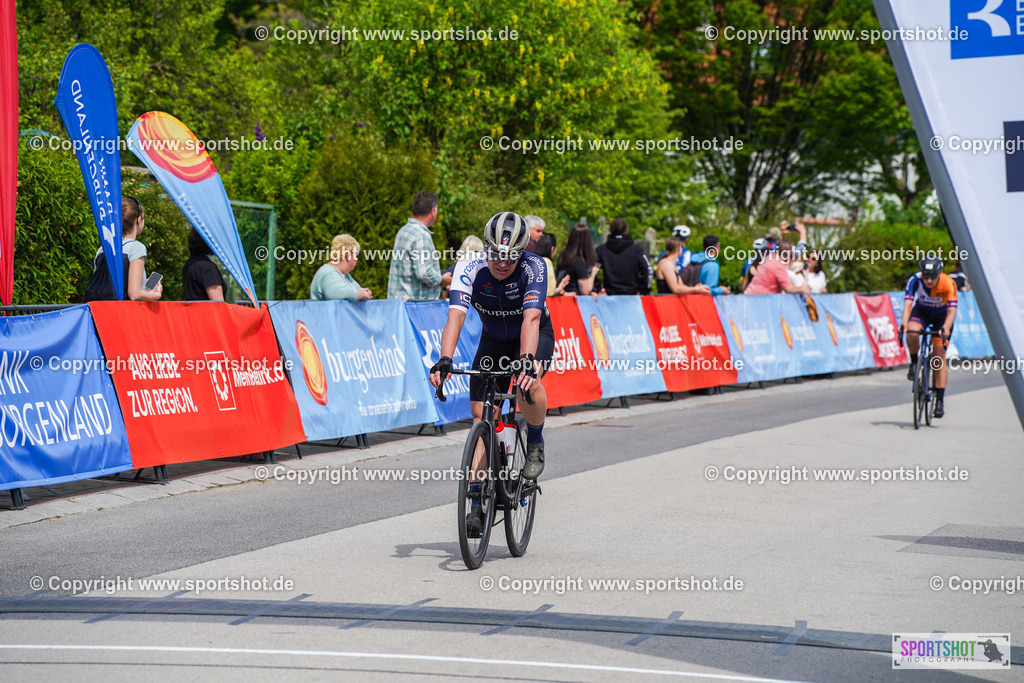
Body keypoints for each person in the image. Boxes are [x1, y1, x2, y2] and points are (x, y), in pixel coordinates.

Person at [429, 212, 553, 535]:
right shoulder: (469, 267)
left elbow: (531, 321)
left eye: (510, 257)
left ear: (522, 252)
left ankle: (536, 440)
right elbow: (455, 316)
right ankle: (475, 502)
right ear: (486, 248)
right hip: (494, 339)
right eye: (496, 255)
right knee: (481, 415)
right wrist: (445, 359)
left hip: (532, 335)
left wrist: (527, 361)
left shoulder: (534, 268)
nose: (501, 263)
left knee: (528, 383)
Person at [899, 256, 957, 418]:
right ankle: (914, 363)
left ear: (939, 273)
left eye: (933, 276)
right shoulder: (914, 280)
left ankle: (939, 400)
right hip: (922, 312)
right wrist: (903, 324)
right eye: (926, 276)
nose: (929, 280)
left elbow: (952, 311)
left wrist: (945, 328)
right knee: (912, 331)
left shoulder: (948, 283)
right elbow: (908, 305)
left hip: (941, 317)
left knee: (939, 357)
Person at [92, 196, 162, 302]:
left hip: (101, 312)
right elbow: (135, 294)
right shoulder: (136, 248)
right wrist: (156, 294)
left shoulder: (102, 249)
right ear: (138, 220)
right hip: (124, 313)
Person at [387, 190, 441, 301]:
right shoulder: (421, 235)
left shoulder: (403, 231)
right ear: (433, 211)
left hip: (400, 304)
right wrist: (442, 280)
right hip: (416, 307)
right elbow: (424, 273)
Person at [595, 217, 652, 295]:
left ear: (610, 231)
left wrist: (597, 288)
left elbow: (589, 269)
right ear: (626, 230)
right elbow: (647, 269)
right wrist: (643, 290)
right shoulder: (636, 250)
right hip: (632, 296)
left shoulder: (601, 250)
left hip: (609, 296)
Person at [310, 234, 372, 302]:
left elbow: (357, 289)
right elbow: (337, 293)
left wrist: (364, 292)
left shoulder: (345, 275)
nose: (357, 259)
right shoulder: (328, 273)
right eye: (356, 255)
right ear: (349, 256)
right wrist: (362, 293)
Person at [745, 240, 812, 297]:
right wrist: (803, 290)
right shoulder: (778, 265)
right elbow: (788, 289)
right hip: (759, 299)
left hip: (750, 297)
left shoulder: (770, 258)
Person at [182, 228, 225, 301]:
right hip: (206, 312)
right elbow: (218, 304)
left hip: (190, 311)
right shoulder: (208, 268)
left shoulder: (189, 264)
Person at [557, 223, 600, 295]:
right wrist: (593, 274)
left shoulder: (563, 256)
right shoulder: (578, 261)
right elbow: (585, 291)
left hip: (564, 298)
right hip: (576, 301)